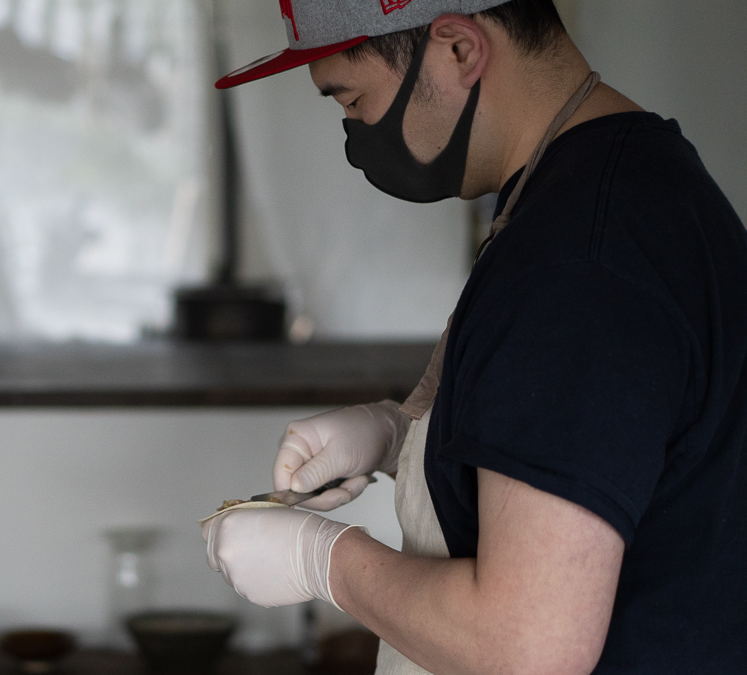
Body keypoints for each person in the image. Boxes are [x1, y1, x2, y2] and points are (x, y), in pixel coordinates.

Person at [200, 1, 747, 673]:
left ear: (459, 48)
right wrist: (400, 435)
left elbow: (526, 645)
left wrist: (322, 560)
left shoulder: (580, 260)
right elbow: (600, 439)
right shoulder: (619, 185)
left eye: (351, 99)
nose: (352, 135)